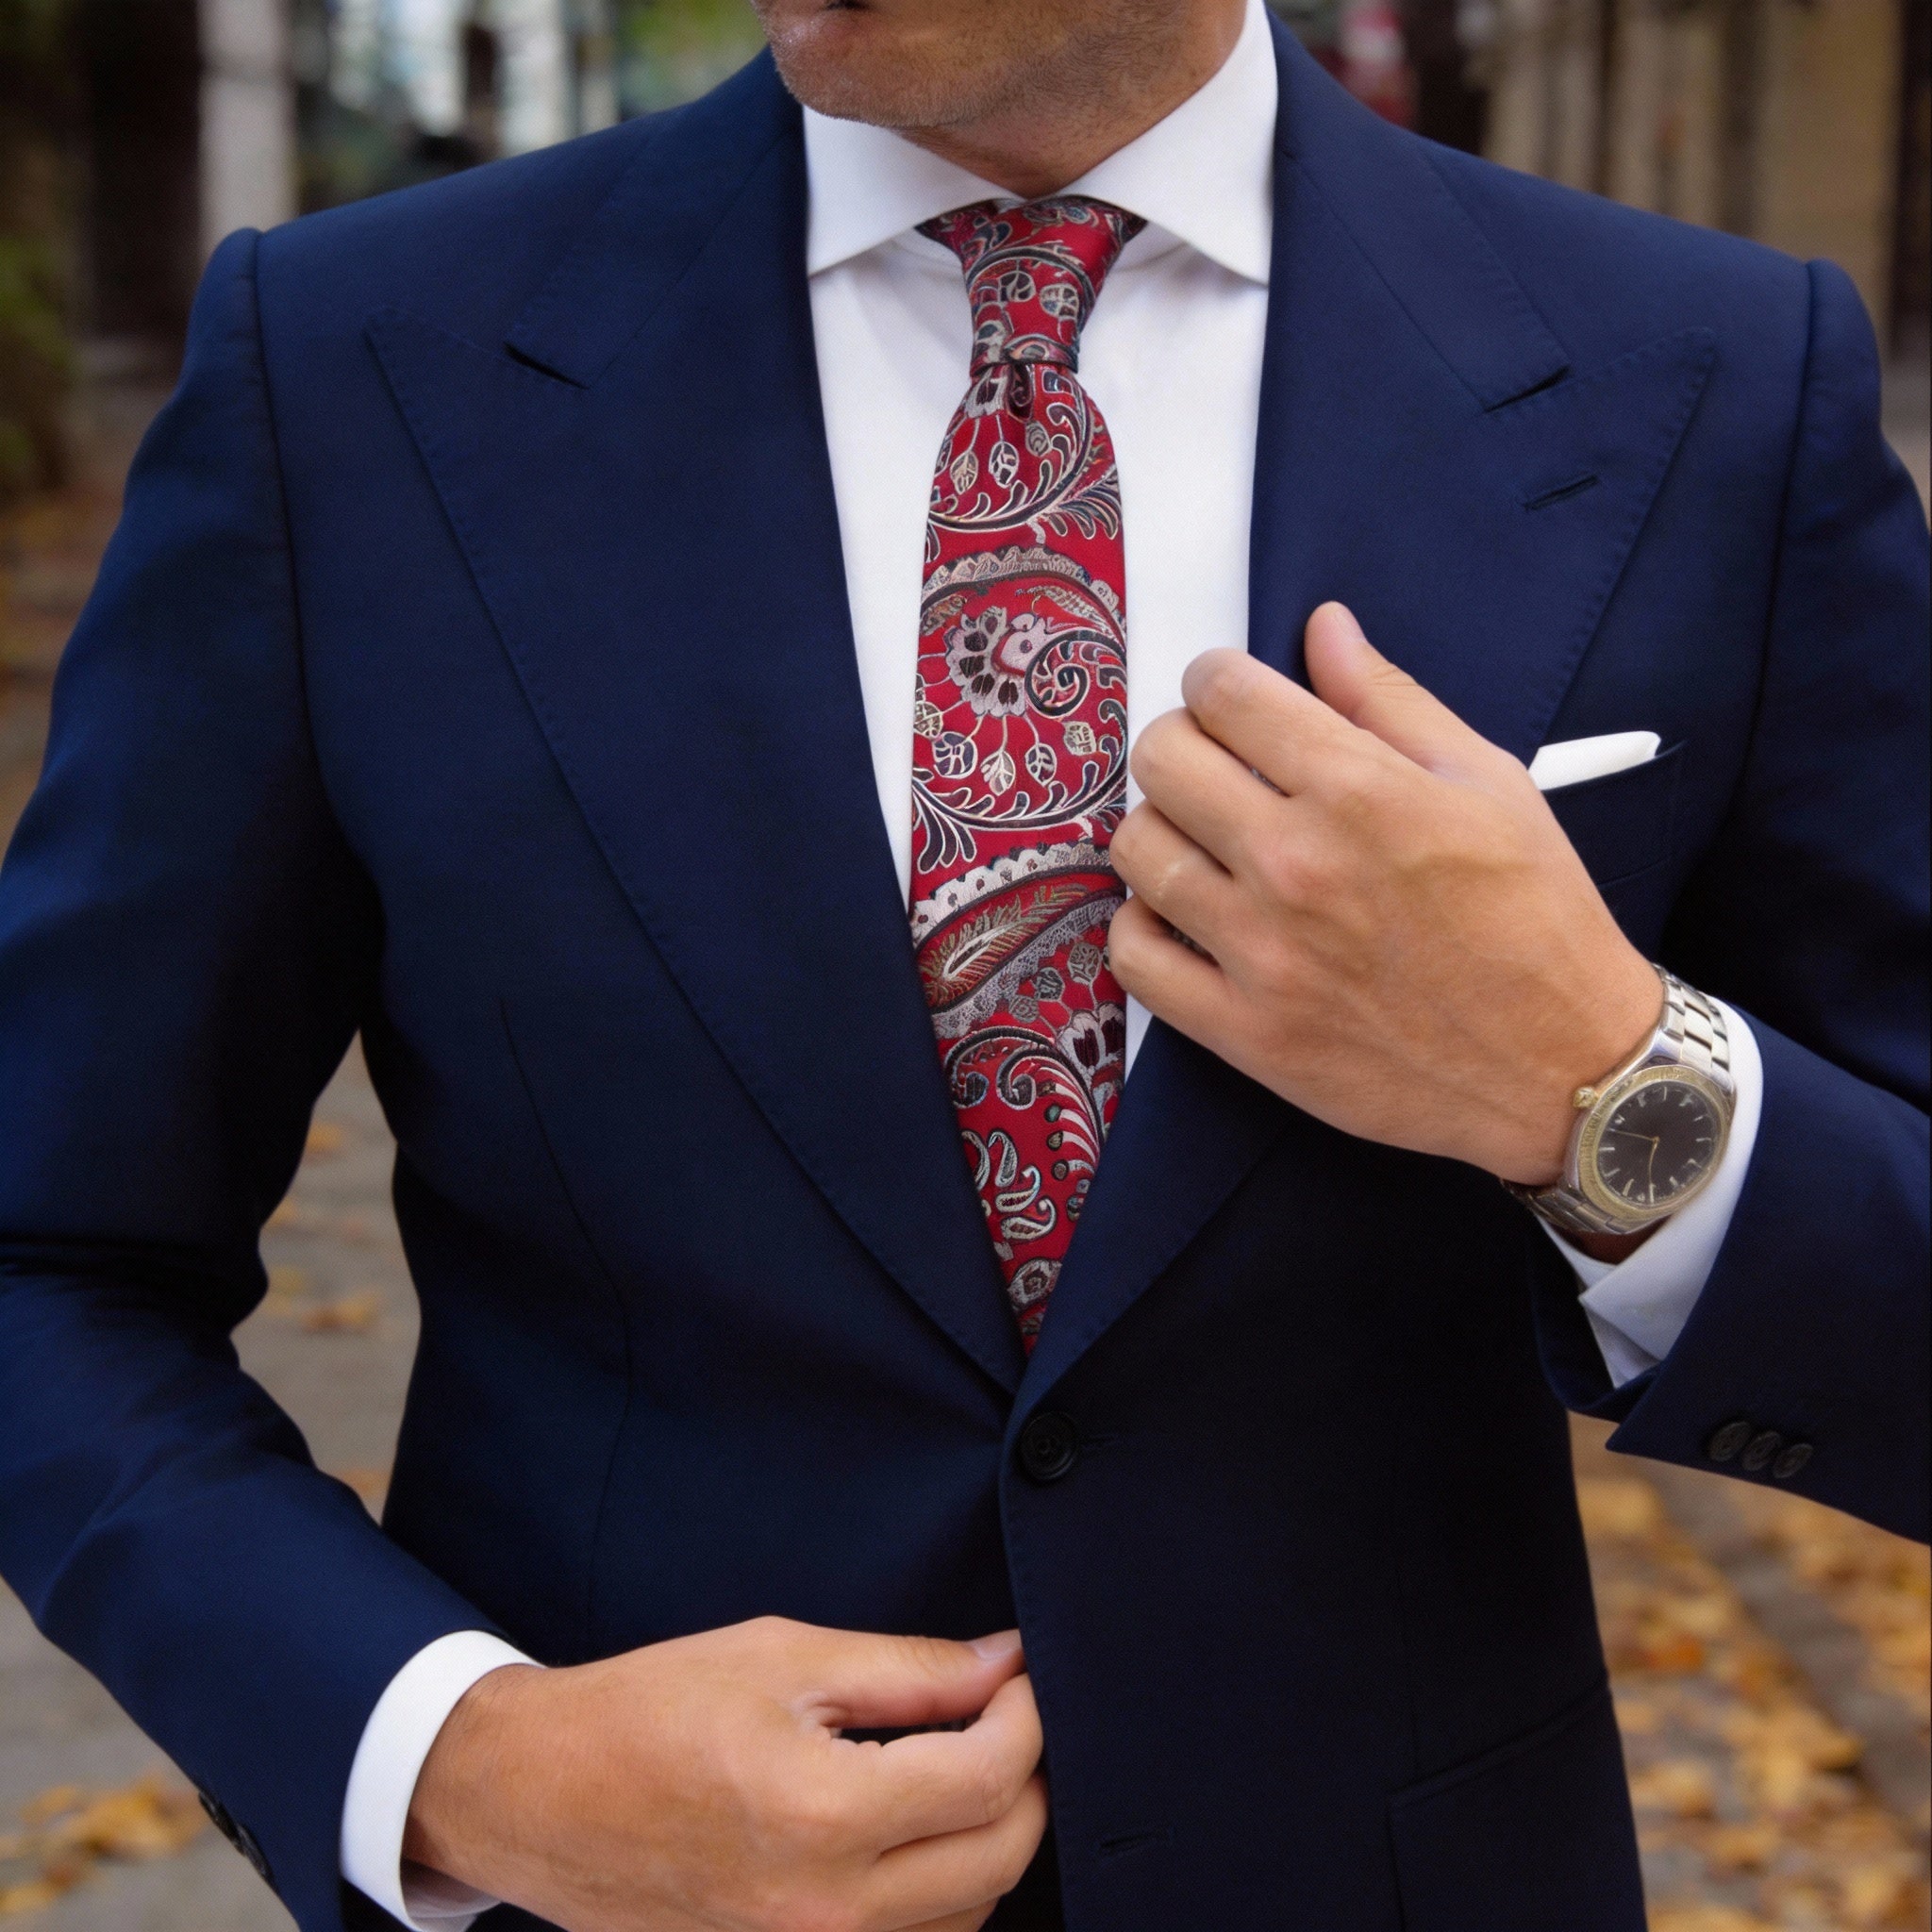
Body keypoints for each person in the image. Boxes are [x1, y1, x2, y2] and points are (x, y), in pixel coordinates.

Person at [0, 0, 1924, 1924]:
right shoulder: (348, 369)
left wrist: (1599, 1082)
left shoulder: (1708, 384)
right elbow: (50, 1255)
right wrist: (455, 1757)